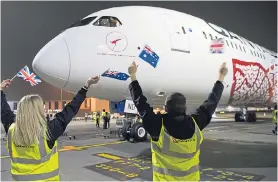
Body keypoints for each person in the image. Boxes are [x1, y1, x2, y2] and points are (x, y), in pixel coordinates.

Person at [127, 61, 228, 181]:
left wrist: (133, 76)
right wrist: (221, 77)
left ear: (166, 108)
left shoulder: (158, 126)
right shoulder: (195, 123)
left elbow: (140, 103)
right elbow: (212, 102)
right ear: (184, 108)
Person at [1, 76, 100, 181]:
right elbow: (71, 108)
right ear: (38, 110)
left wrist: (0, 89)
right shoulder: (48, 131)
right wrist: (86, 86)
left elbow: (3, 110)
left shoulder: (12, 129)